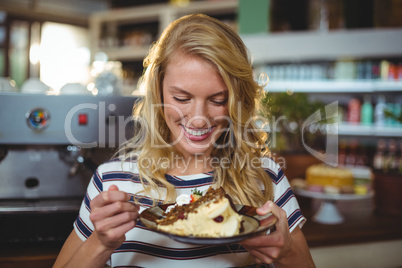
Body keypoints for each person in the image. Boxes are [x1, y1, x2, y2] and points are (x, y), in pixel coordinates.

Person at [54, 14, 315, 268]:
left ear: (238, 101)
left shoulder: (265, 175)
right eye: (182, 98)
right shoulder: (112, 180)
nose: (199, 119)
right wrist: (100, 243)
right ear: (158, 91)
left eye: (218, 100)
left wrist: (287, 253)